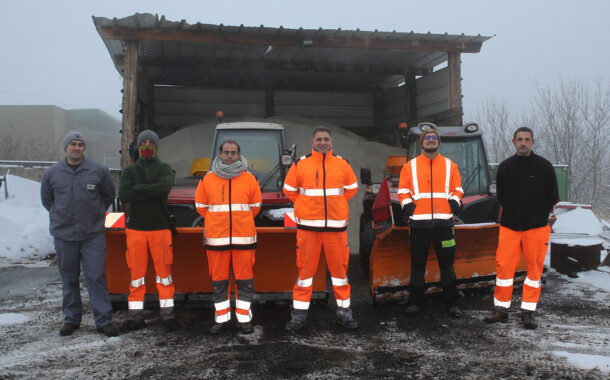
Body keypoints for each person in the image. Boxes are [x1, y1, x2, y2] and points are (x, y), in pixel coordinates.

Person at [41, 130, 119, 337]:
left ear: (84, 148)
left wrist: (93, 215)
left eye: (80, 145)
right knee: (69, 278)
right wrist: (61, 215)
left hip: (92, 234)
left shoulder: (98, 170)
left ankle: (103, 321)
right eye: (73, 144)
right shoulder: (52, 173)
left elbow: (108, 196)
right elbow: (47, 201)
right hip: (64, 235)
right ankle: (71, 319)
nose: (76, 148)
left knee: (96, 277)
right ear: (66, 147)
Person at [283, 127, 359, 331]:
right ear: (312, 141)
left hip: (336, 229)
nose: (323, 142)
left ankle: (345, 312)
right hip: (308, 229)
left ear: (331, 141)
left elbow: (352, 188)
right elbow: (289, 189)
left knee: (340, 273)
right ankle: (298, 315)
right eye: (319, 139)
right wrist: (303, 206)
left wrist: (337, 205)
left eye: (326, 139)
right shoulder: (301, 163)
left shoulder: (342, 164)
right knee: (305, 274)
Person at [485, 127, 558, 329]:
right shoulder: (505, 167)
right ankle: (500, 309)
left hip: (536, 228)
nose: (523, 143)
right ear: (513, 142)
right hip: (509, 227)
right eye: (519, 139)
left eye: (527, 139)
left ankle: (528, 312)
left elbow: (553, 196)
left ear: (533, 142)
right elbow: (501, 196)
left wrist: (537, 214)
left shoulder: (544, 167)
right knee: (504, 268)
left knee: (534, 272)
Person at [195, 140, 262, 335]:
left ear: (239, 155)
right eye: (226, 152)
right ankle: (221, 320)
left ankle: (244, 320)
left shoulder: (250, 179)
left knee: (245, 281)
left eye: (233, 152)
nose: (230, 155)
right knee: (219, 282)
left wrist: (241, 222)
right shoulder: (207, 179)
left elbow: (256, 206)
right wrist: (217, 221)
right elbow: (200, 205)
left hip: (244, 240)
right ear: (220, 154)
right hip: (217, 240)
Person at [397, 128, 464, 318]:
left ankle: (452, 304)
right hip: (419, 225)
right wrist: (410, 209)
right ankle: (416, 303)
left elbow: (458, 189)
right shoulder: (409, 167)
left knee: (447, 265)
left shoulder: (451, 166)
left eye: (434, 138)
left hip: (444, 225)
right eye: (427, 138)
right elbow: (403, 191)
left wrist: (453, 203)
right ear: (421, 143)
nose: (431, 141)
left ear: (439, 142)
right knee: (418, 265)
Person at [118, 130, 179, 332]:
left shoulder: (164, 168)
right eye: (143, 142)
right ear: (137, 146)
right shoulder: (129, 170)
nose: (146, 145)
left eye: (150, 142)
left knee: (164, 275)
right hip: (135, 230)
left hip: (160, 230)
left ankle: (168, 316)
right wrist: (149, 189)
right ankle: (135, 317)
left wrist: (138, 189)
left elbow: (164, 188)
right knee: (136, 276)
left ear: (156, 146)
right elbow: (124, 194)